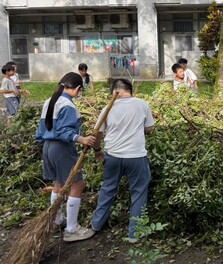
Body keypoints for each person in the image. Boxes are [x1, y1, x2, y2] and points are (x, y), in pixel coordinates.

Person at [89, 78, 154, 242]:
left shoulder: (107, 108)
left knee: (107, 189)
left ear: (114, 92)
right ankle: (135, 233)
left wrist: (97, 150)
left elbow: (97, 134)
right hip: (136, 157)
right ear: (130, 91)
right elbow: (150, 128)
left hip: (113, 156)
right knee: (139, 192)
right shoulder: (142, 104)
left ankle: (96, 224)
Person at [34, 72, 96, 242]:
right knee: (77, 183)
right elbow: (63, 131)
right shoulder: (68, 105)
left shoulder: (49, 101)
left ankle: (56, 221)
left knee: (59, 183)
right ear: (77, 88)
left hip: (48, 147)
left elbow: (40, 132)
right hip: (61, 147)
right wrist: (81, 138)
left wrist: (49, 145)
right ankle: (72, 229)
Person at [1, 64, 20, 128]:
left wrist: (22, 91)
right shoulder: (5, 80)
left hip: (13, 98)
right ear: (7, 72)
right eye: (12, 71)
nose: (14, 72)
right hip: (11, 99)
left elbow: (14, 89)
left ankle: (10, 130)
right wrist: (12, 91)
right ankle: (14, 129)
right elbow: (1, 91)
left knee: (11, 116)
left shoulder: (10, 80)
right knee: (15, 114)